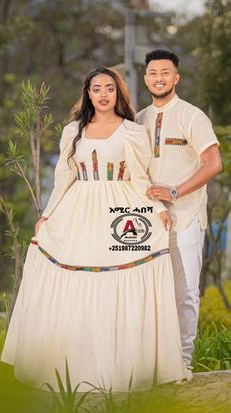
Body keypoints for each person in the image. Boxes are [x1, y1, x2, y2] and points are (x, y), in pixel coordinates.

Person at [1, 66, 188, 392]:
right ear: (87, 93)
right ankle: (72, 365)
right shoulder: (73, 130)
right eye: (96, 88)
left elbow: (140, 176)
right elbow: (64, 178)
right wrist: (48, 214)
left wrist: (157, 210)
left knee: (120, 274)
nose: (103, 94)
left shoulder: (132, 131)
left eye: (109, 89)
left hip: (120, 204)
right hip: (79, 208)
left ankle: (120, 368)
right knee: (73, 274)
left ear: (118, 93)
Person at [136, 49, 222, 378]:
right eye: (153, 73)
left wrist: (174, 192)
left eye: (165, 72)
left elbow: (214, 163)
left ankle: (182, 364)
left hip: (186, 219)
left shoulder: (192, 116)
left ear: (176, 78)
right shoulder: (139, 119)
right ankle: (156, 363)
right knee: (152, 293)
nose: (159, 78)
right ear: (146, 79)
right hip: (150, 221)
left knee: (184, 292)